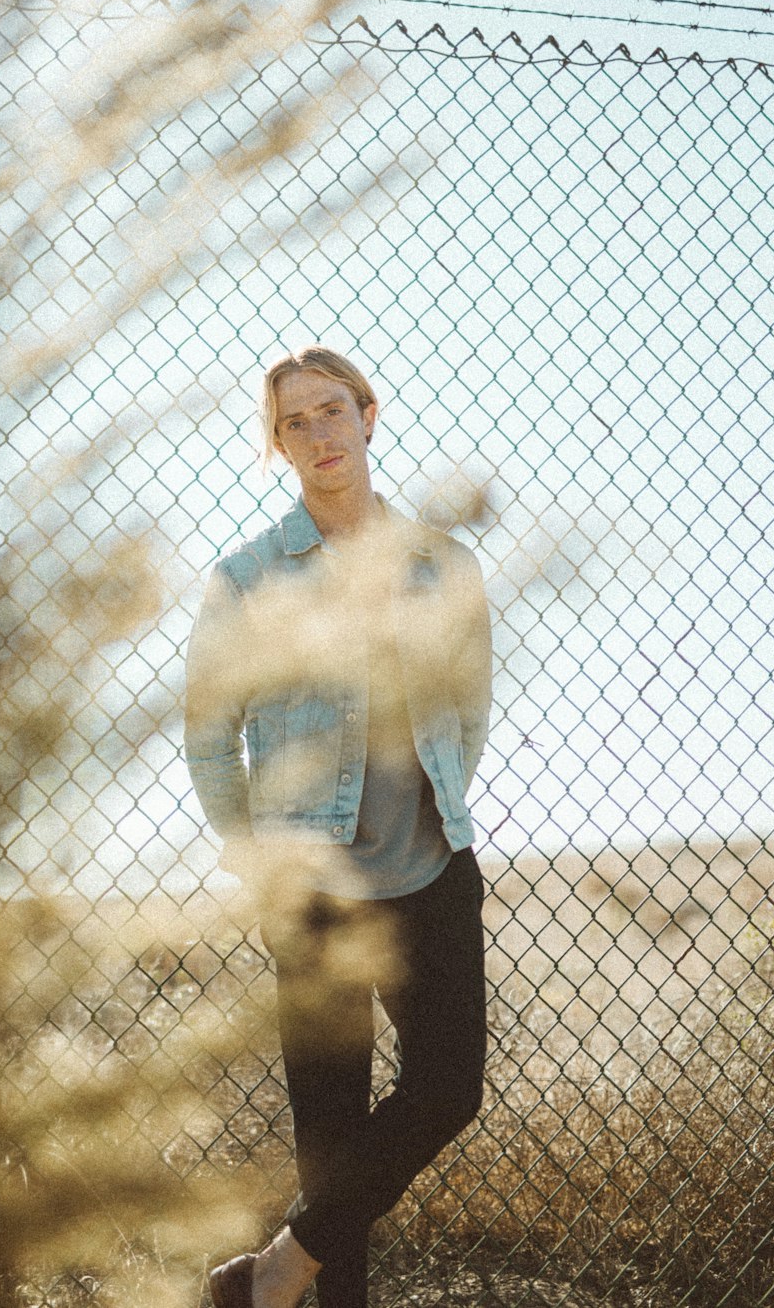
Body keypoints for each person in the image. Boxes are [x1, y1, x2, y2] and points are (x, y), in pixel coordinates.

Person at [184, 346, 492, 1308]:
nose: (319, 434)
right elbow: (208, 740)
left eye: (332, 411)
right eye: (295, 423)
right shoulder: (245, 580)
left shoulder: (445, 565)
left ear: (369, 414)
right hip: (312, 887)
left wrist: (431, 812)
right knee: (331, 1128)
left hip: (433, 874)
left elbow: (469, 709)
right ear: (276, 446)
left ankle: (276, 1274)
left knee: (448, 1089)